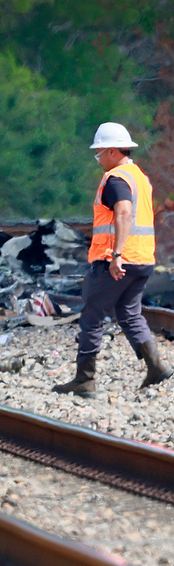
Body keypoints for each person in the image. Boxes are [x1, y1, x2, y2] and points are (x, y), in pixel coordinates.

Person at [53, 122, 173, 398]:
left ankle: (85, 380)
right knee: (129, 313)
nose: (98, 160)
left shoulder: (116, 178)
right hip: (142, 258)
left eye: (99, 154)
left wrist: (116, 255)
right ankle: (156, 366)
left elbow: (123, 213)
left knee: (92, 315)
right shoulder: (140, 177)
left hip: (118, 260)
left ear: (111, 151)